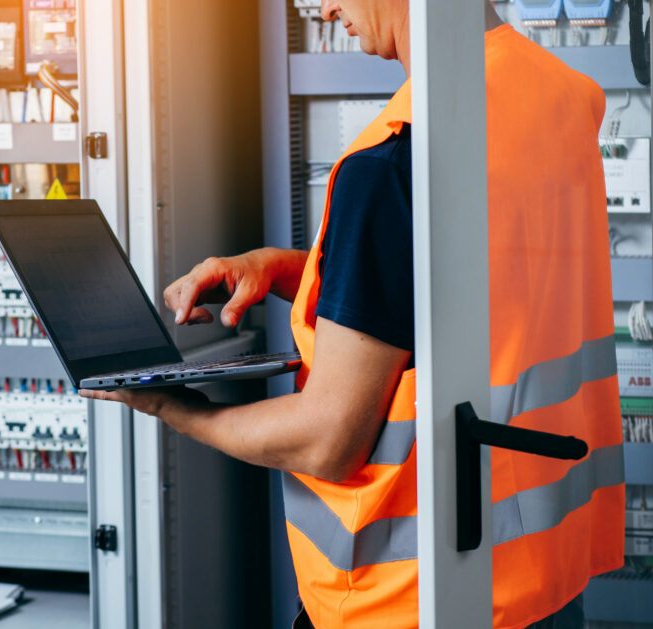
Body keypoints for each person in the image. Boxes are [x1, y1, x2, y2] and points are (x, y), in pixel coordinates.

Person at [80, 0, 624, 627]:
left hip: (415, 595)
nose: (324, 6)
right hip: (542, 576)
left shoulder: (396, 157)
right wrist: (288, 267)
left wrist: (174, 409)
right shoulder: (561, 94)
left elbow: (329, 439)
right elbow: (476, 280)